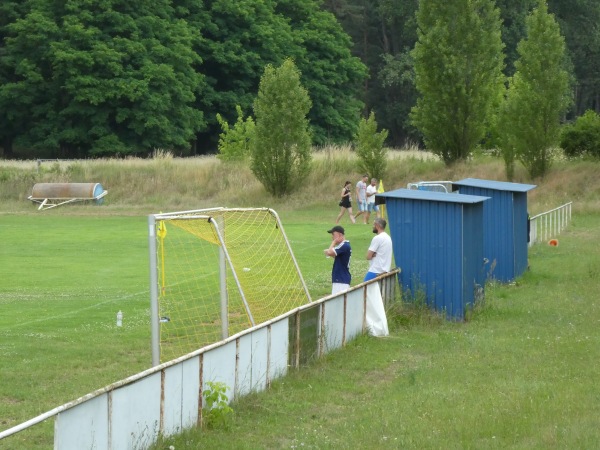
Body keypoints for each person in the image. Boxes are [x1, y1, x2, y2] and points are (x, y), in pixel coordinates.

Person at [324, 225, 352, 294]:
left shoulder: (344, 245)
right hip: (340, 278)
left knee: (338, 302)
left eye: (333, 235)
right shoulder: (344, 246)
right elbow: (334, 255)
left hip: (341, 279)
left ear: (340, 235)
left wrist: (333, 242)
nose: (332, 237)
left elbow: (329, 252)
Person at [364, 218, 393, 282]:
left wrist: (372, 255)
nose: (372, 227)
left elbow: (368, 256)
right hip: (385, 270)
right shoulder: (388, 237)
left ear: (377, 226)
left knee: (364, 289)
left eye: (373, 225)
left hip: (375, 270)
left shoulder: (377, 238)